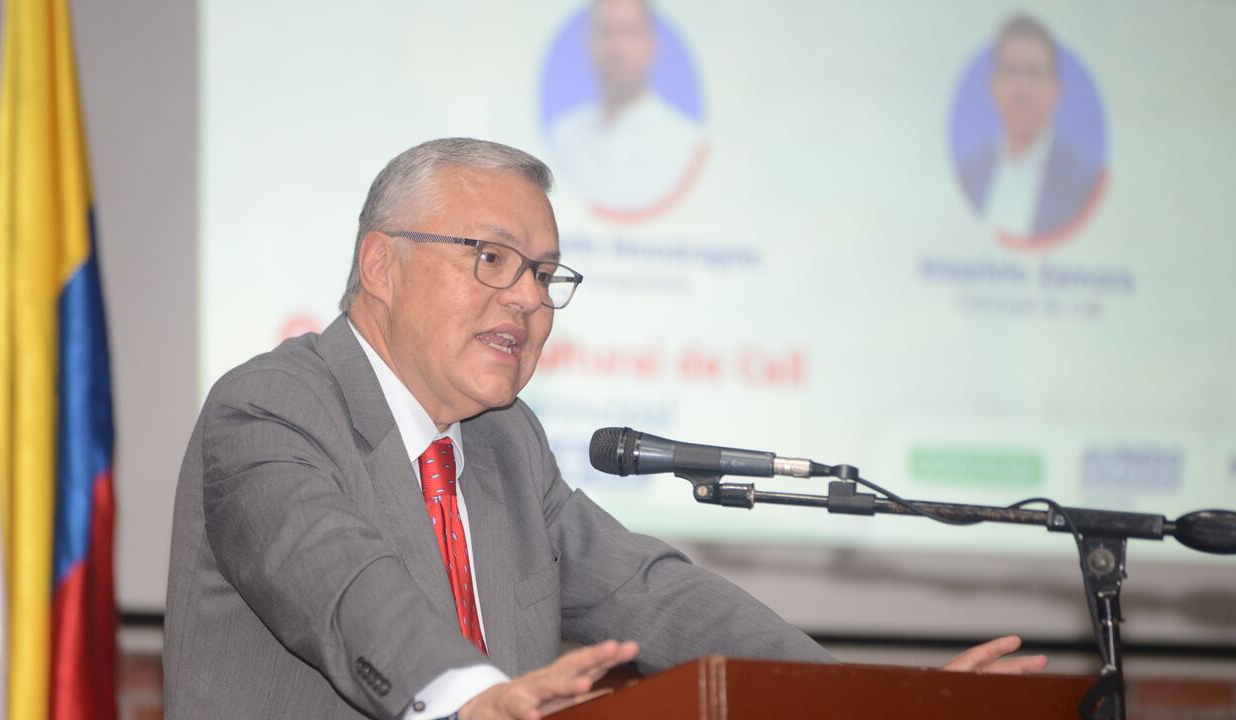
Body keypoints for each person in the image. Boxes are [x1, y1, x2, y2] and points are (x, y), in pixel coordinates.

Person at [165, 138, 1046, 720]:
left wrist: (863, 698)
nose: (527, 297)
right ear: (380, 264)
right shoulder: (270, 409)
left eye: (545, 273)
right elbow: (341, 583)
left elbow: (653, 593)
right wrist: (471, 696)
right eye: (492, 259)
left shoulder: (506, 443)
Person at [549, 0, 705, 213]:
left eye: (629, 32)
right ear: (588, 45)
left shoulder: (687, 141)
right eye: (606, 32)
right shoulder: (563, 136)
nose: (617, 47)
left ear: (652, 45)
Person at [956, 14, 1102, 241]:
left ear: (1056, 90)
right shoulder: (968, 173)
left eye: (1034, 73)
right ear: (993, 86)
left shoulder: (1085, 181)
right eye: (1012, 71)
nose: (1022, 88)